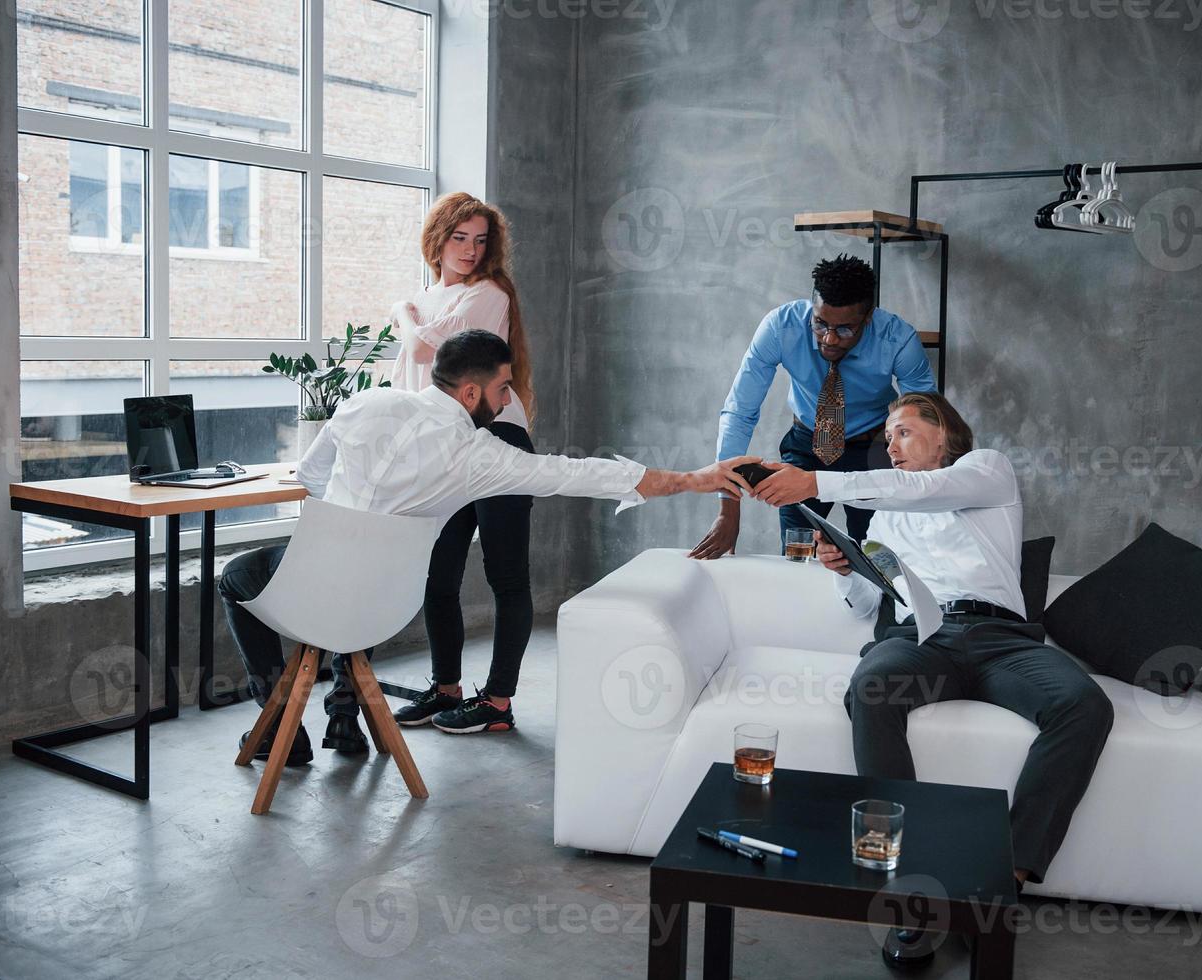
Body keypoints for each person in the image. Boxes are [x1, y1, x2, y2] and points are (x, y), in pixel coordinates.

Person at [219, 331, 757, 766]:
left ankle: (279, 721)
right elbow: (578, 474)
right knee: (364, 577)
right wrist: (694, 478)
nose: (508, 402)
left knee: (237, 574)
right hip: (383, 609)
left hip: (311, 594)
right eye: (504, 390)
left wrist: (354, 515)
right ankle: (339, 708)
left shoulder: (364, 403)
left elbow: (312, 476)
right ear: (471, 393)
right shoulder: (477, 455)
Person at [752, 391, 1113, 962]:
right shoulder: (886, 517)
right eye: (886, 437)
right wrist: (844, 569)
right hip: (920, 641)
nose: (889, 447)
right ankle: (911, 883)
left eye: (902, 432)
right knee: (872, 688)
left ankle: (1002, 880)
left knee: (1084, 704)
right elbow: (866, 604)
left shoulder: (984, 470)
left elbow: (925, 491)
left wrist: (816, 483)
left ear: (942, 432)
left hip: (1001, 640)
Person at [382, 192, 543, 740]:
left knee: (505, 575)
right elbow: (411, 381)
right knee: (438, 574)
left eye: (481, 240)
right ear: (438, 239)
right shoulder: (436, 296)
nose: (471, 250)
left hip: (498, 437)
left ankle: (498, 703)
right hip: (447, 445)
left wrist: (402, 313)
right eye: (460, 238)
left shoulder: (488, 294)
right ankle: (445, 690)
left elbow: (429, 352)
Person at [690, 253, 936, 560]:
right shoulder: (781, 327)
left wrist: (925, 506)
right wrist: (729, 507)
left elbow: (925, 422)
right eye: (820, 324)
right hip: (807, 445)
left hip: (873, 450)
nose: (830, 338)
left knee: (876, 560)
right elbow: (740, 412)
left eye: (846, 329)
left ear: (868, 318)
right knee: (797, 556)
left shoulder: (897, 339)